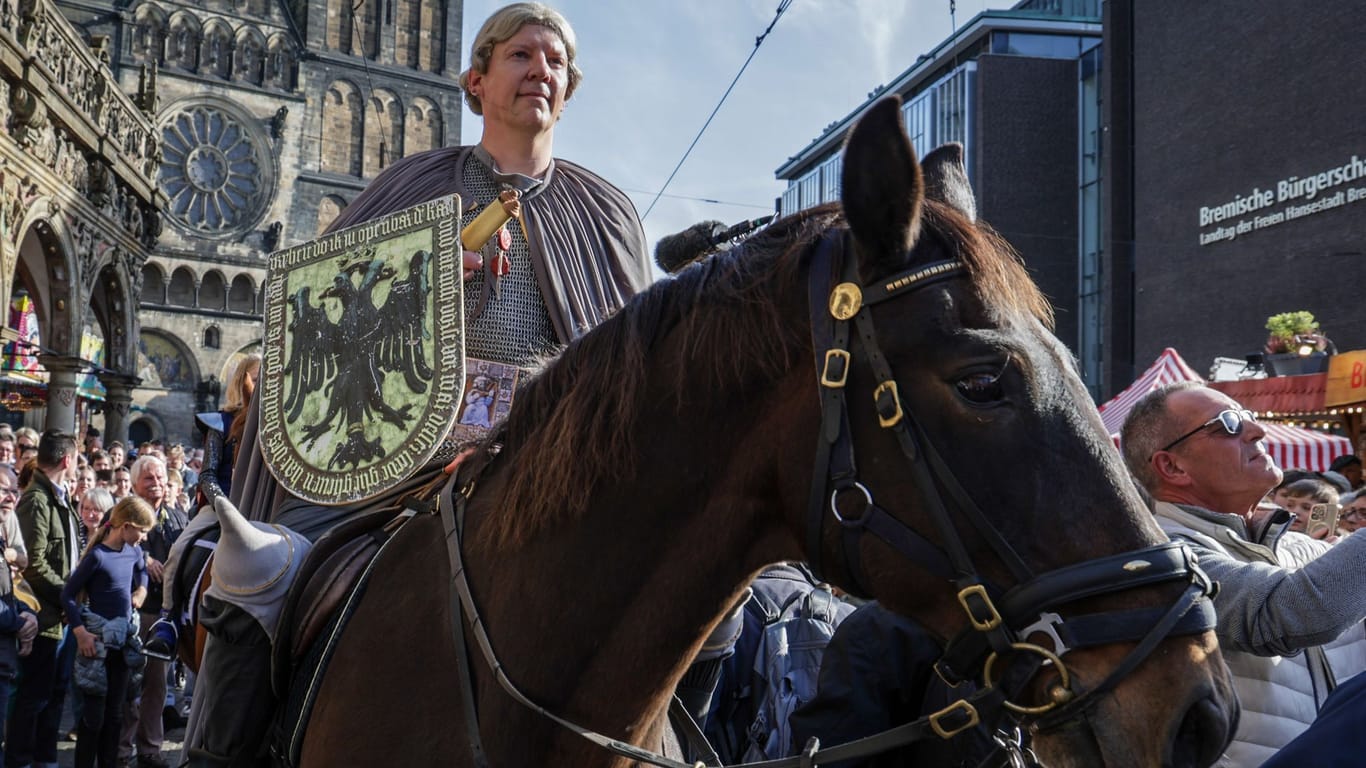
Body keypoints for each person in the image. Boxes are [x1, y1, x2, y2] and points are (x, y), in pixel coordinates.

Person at [184, 4, 651, 765]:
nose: (541, 70)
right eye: (522, 56)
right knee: (260, 569)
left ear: (569, 90)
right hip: (396, 456)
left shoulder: (604, 214)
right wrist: (412, 282)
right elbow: (311, 312)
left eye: (556, 62)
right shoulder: (413, 184)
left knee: (714, 611)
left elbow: (632, 371)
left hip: (553, 462)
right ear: (476, 79)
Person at [1120, 382, 1366, 766]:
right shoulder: (1156, 555)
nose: (1257, 430)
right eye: (1229, 423)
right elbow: (1290, 613)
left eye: (1250, 417)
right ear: (1172, 466)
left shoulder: (1299, 547)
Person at [8, 429, 82, 768]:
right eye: (76, 459)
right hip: (43, 617)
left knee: (53, 694)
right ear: (68, 459)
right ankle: (22, 760)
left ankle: (46, 759)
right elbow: (33, 565)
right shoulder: (37, 500)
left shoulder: (61, 497)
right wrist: (68, 595)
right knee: (33, 697)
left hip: (61, 617)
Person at [62, 496, 154, 768]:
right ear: (125, 526)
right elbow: (67, 595)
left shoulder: (134, 551)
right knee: (93, 718)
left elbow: (143, 572)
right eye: (143, 531)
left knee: (115, 715)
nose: (145, 538)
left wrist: (142, 590)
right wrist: (80, 633)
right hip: (97, 644)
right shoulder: (98, 557)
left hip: (122, 643)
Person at [117, 456, 187, 768]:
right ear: (134, 484)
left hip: (162, 614)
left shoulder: (176, 517)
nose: (156, 483)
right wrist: (141, 556)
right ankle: (120, 750)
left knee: (157, 687)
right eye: (149, 478)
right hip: (131, 610)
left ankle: (150, 750)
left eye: (160, 478)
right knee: (128, 686)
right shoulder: (123, 514)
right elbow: (109, 546)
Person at [0, 465, 38, 768]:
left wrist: (26, 614)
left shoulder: (5, 529)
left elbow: (7, 591)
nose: (9, 497)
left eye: (14, 490)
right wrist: (18, 622)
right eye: (3, 489)